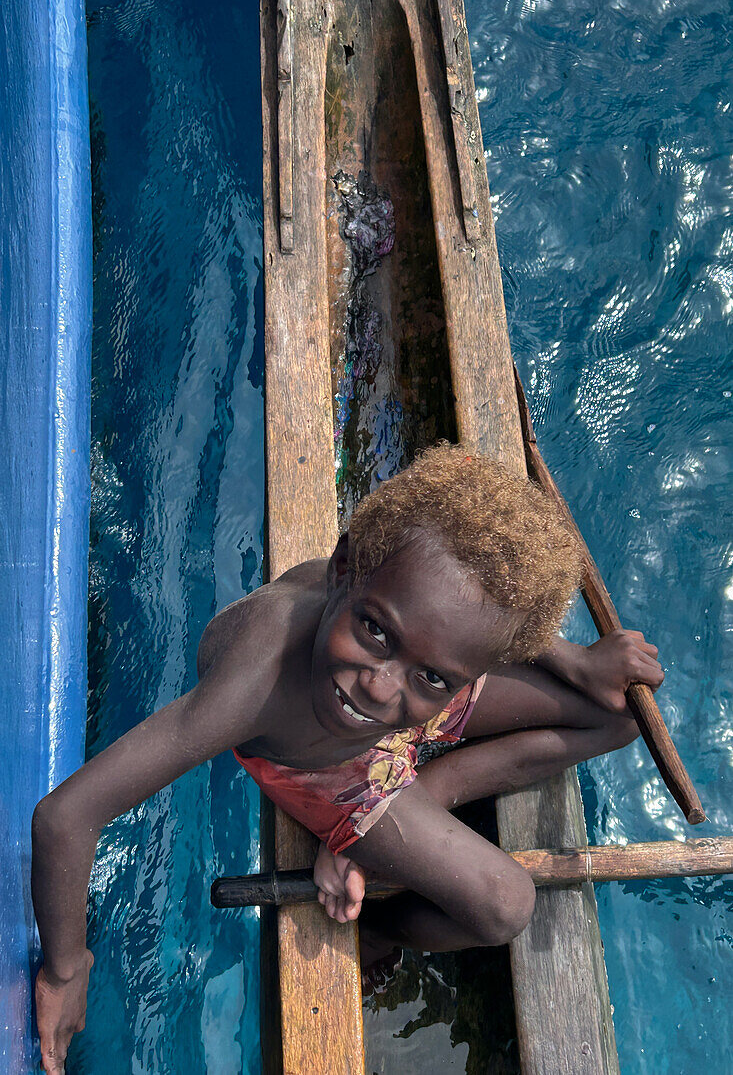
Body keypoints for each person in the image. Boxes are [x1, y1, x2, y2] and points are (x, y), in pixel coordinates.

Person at [31, 443, 664, 1072]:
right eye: (375, 631)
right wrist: (66, 969)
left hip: (411, 715)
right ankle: (383, 931)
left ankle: (434, 785)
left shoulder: (403, 633)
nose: (381, 686)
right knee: (507, 906)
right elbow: (66, 815)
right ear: (341, 573)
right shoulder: (257, 685)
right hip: (329, 767)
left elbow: (472, 618)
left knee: (618, 715)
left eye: (438, 676)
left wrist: (575, 658)